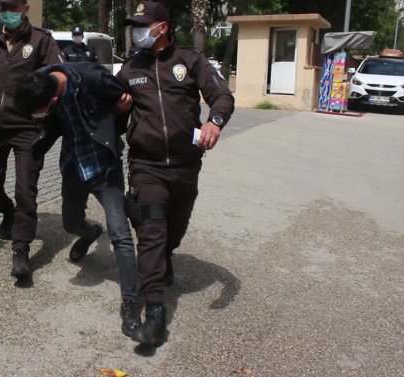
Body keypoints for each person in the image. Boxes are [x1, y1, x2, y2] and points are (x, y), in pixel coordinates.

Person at [116, 1, 235, 347]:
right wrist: (117, 108)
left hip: (185, 165)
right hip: (145, 166)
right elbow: (111, 116)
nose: (137, 30)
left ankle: (168, 255)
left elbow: (221, 96)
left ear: (162, 27)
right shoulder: (129, 68)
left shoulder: (191, 61)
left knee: (174, 228)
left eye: (143, 24)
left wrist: (215, 121)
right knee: (151, 231)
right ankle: (155, 312)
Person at [13, 61, 141, 337]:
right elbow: (44, 129)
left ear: (55, 99)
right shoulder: (40, 81)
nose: (39, 117)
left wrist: (116, 115)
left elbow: (127, 98)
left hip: (104, 163)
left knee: (120, 233)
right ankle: (91, 231)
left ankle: (130, 303)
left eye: (41, 113)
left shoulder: (93, 79)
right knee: (70, 224)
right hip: (74, 164)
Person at [0, 0, 63, 280]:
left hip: (27, 128)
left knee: (26, 189)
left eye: (13, 6)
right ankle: (7, 212)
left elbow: (59, 77)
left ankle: (21, 249)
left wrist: (46, 109)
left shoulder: (41, 40)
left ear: (25, 7)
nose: (7, 11)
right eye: (3, 6)